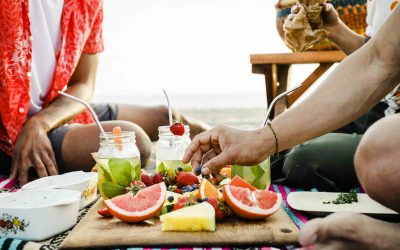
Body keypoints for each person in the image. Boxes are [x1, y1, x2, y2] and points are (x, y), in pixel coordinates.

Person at [184, 3, 400, 249]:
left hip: (387, 123)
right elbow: (380, 59)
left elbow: (380, 63)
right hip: (381, 108)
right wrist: (260, 139)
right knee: (285, 149)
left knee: (373, 155)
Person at [0, 0, 207, 186]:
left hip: (51, 113)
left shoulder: (88, 3)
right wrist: (33, 127)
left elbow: (84, 84)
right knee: (134, 143)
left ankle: (227, 144)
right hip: (10, 136)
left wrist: (40, 122)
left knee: (168, 117)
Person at [271, 0, 400, 191]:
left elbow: (382, 63)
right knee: (280, 150)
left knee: (304, 161)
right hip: (378, 107)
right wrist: (334, 29)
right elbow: (375, 53)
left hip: (394, 123)